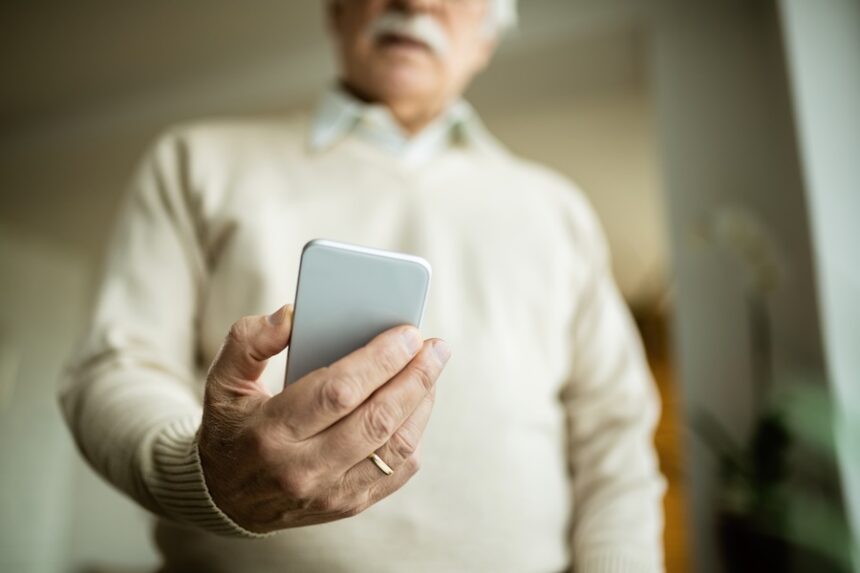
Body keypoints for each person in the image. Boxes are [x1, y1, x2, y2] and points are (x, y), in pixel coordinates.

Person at [60, 0, 666, 571]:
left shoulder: (559, 211)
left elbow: (614, 434)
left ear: (486, 37)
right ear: (338, 8)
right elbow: (115, 367)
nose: (416, 2)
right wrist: (205, 477)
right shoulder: (193, 161)